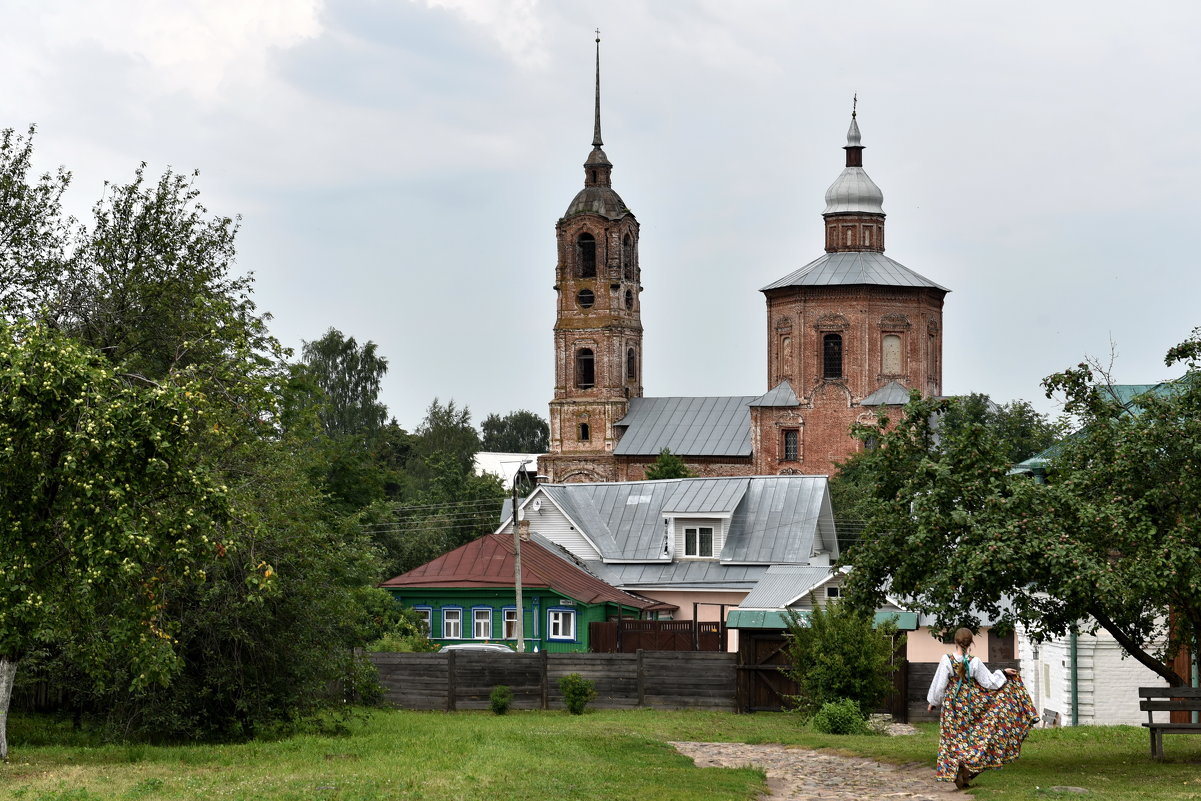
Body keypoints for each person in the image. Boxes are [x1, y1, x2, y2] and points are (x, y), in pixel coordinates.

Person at [926, 628, 1038, 789]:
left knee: (952, 739)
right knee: (973, 738)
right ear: (971, 642)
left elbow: (940, 685)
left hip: (952, 707)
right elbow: (990, 683)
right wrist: (1003, 673)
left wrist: (933, 702)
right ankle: (966, 771)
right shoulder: (975, 662)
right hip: (971, 706)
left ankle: (958, 770)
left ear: (955, 641)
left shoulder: (946, 660)